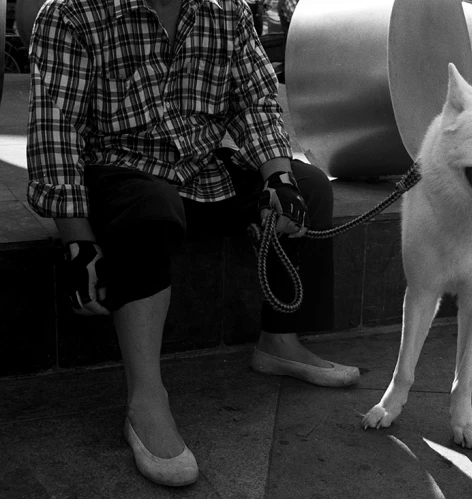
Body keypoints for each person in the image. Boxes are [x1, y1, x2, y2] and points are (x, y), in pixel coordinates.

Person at [25, 0, 360, 487]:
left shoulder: (227, 10)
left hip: (202, 169)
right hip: (120, 170)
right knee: (150, 208)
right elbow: (55, 130)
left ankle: (280, 343)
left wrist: (278, 178)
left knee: (310, 188)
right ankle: (145, 399)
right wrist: (77, 241)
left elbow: (256, 99)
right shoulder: (71, 13)